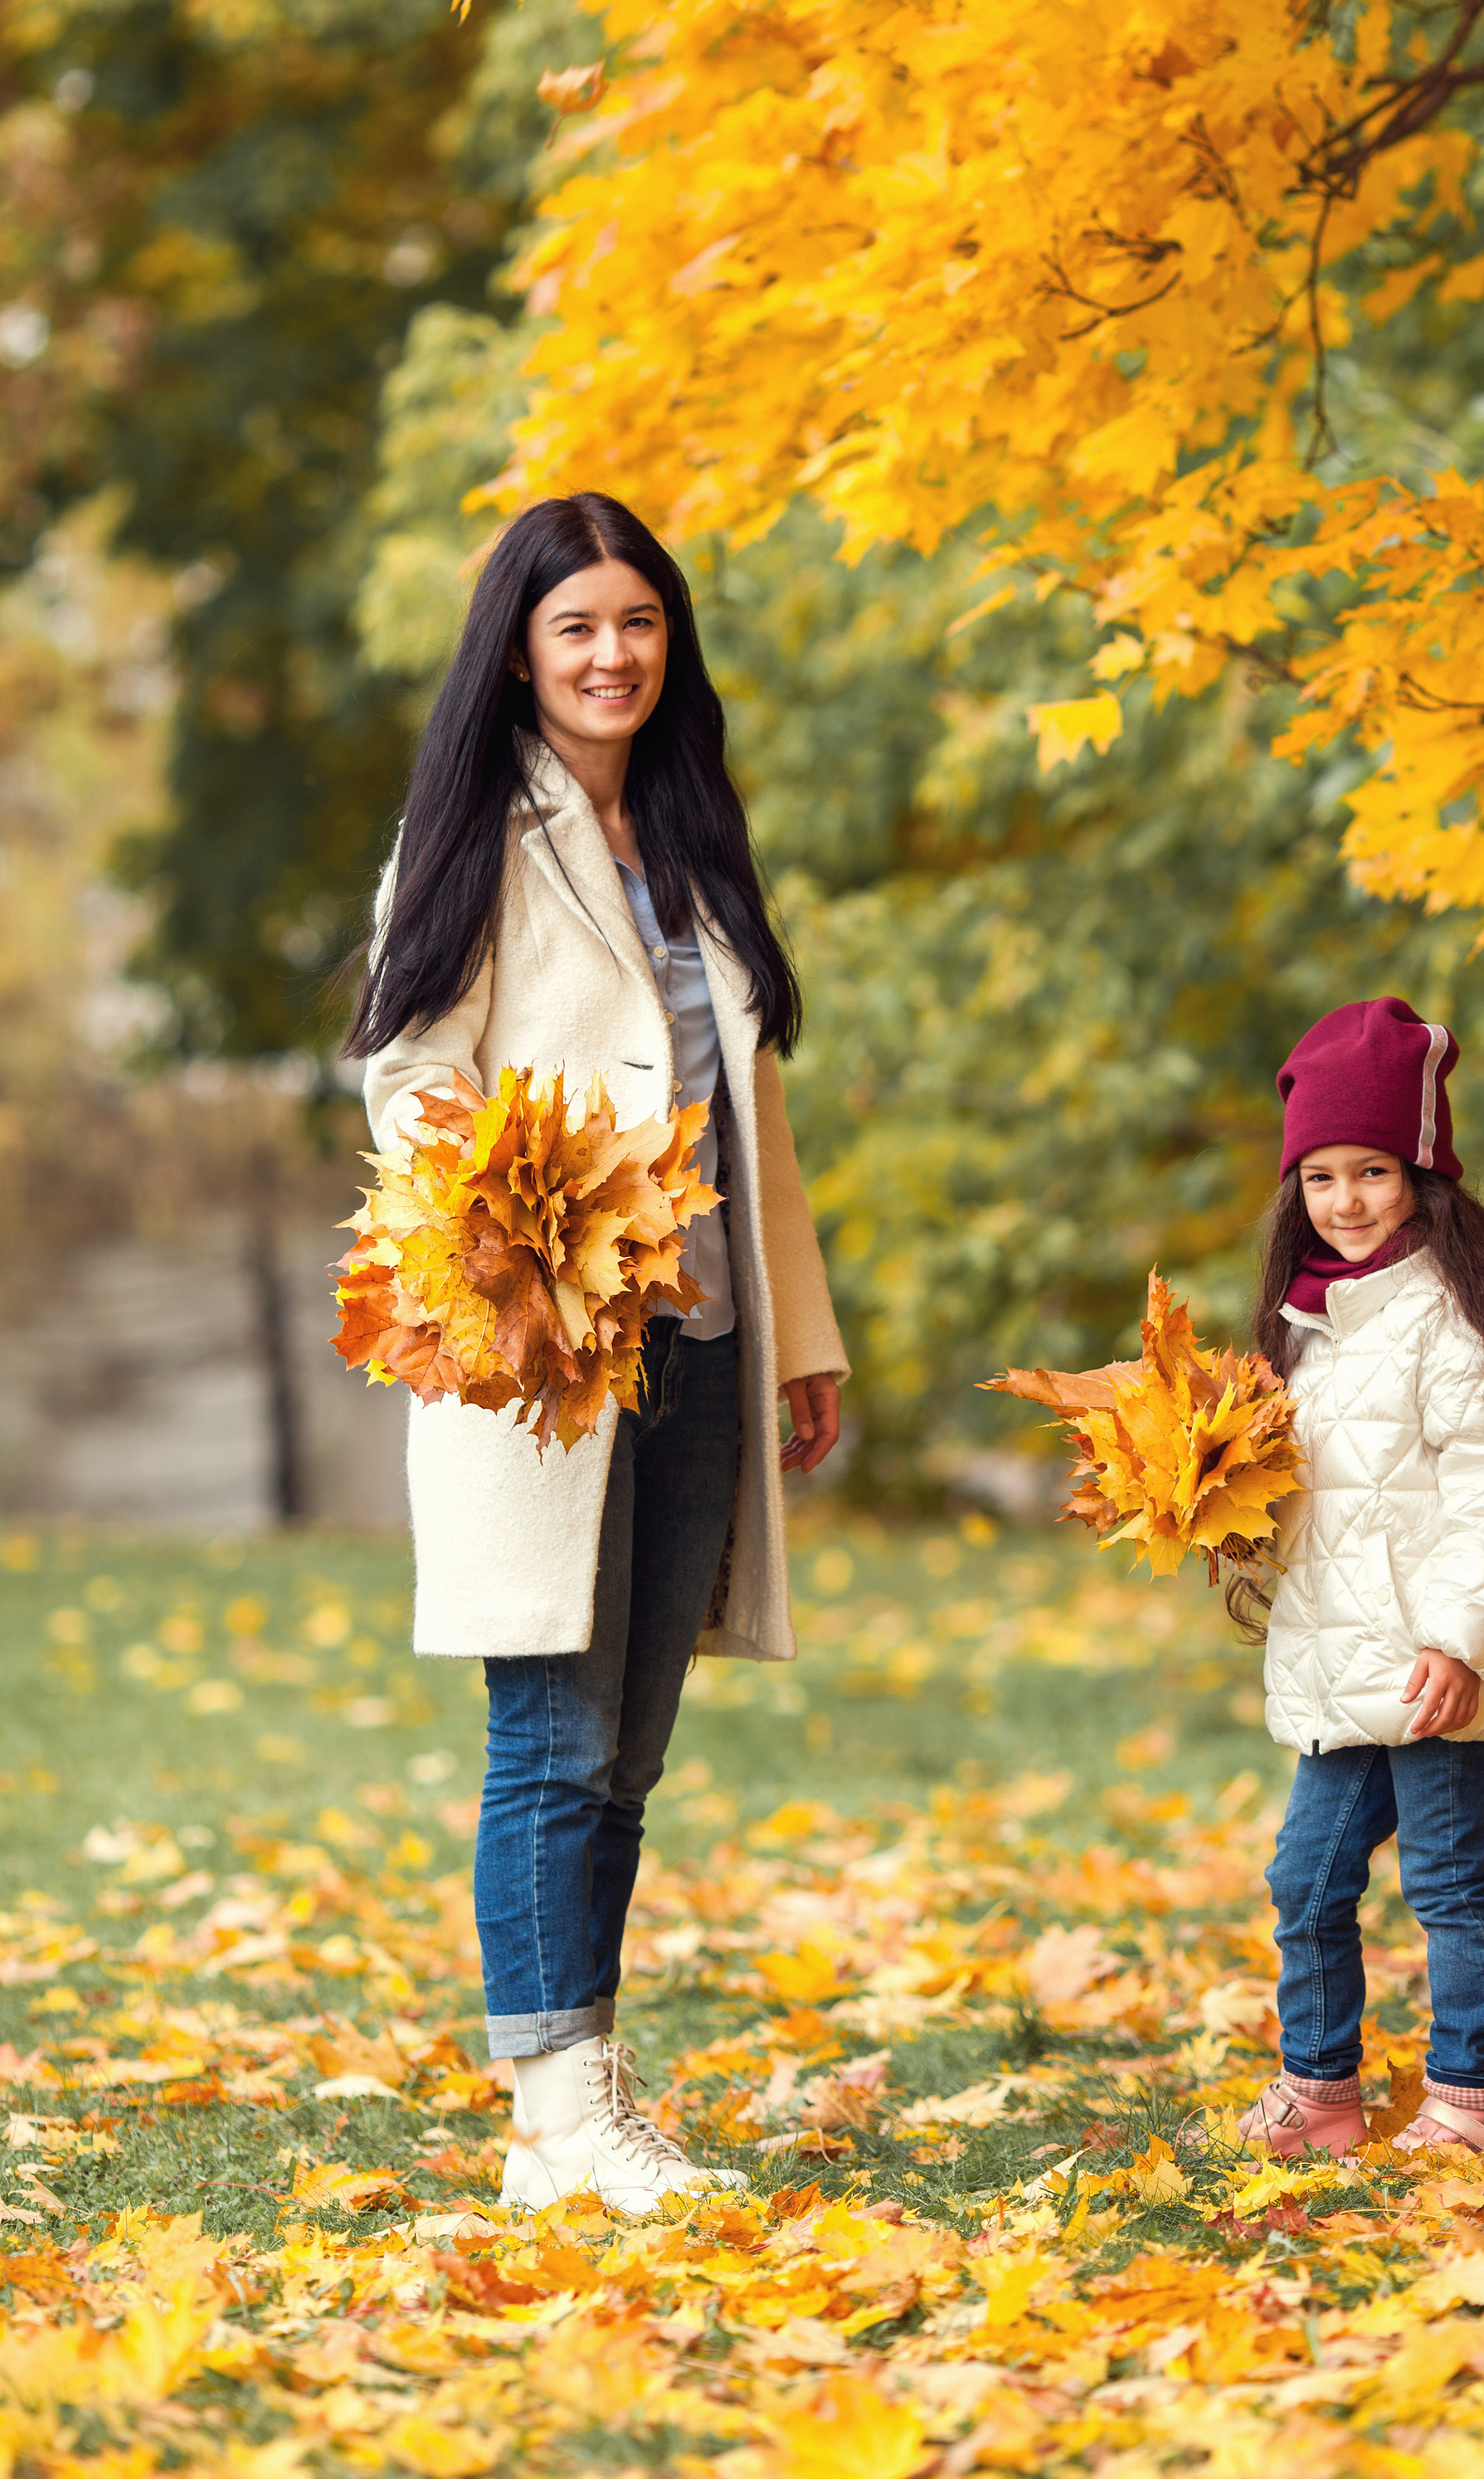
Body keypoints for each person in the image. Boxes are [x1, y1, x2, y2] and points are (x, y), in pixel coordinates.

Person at [344, 491, 848, 2214]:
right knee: (551, 1735)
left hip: (702, 1340)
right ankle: (557, 2118)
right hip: (546, 1351)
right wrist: (524, 1237)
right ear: (522, 650)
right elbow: (410, 1077)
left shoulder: (693, 837)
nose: (611, 653)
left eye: (637, 622)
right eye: (577, 628)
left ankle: (581, 2099)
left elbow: (749, 1111)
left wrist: (802, 1335)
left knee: (627, 1744)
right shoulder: (474, 835)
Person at [1223, 996, 1484, 2163]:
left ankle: (1474, 2100)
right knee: (1305, 1882)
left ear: (1422, 1171)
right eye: (1320, 1178)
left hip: (1437, 1669)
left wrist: (1459, 1644)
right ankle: (1321, 2093)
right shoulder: (1311, 1325)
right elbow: (1326, 1500)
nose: (1346, 1201)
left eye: (1371, 1170)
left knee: (1446, 1882)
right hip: (1348, 1668)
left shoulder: (1447, 1317)